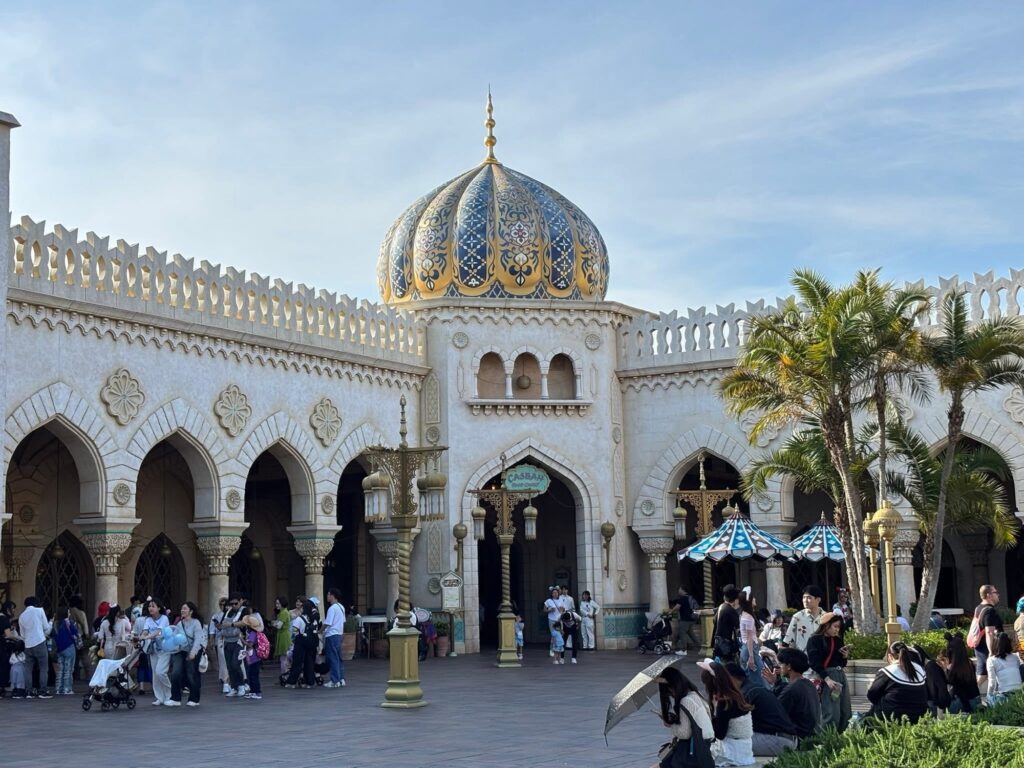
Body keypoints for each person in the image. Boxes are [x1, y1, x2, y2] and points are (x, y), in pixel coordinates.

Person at [725, 662, 799, 757]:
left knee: (728, 745)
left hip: (780, 740)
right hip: (784, 738)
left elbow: (734, 725)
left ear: (732, 678)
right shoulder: (753, 688)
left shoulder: (748, 693)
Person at [698, 658, 755, 766]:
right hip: (743, 747)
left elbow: (719, 734)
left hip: (733, 750)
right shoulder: (735, 695)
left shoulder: (725, 702)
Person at [655, 666, 715, 766]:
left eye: (669, 692)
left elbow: (684, 733)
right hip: (704, 747)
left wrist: (670, 725)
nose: (671, 696)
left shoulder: (686, 701)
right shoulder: (696, 694)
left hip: (692, 752)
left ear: (672, 687)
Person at [762, 648, 821, 739]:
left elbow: (775, 715)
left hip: (797, 738)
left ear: (789, 666)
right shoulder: (808, 684)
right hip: (811, 734)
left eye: (781, 664)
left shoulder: (792, 689)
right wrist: (775, 682)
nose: (779, 667)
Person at [805, 612, 850, 733]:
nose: (837, 629)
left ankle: (838, 737)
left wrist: (845, 657)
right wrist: (827, 679)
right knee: (831, 712)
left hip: (840, 675)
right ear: (826, 625)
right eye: (835, 626)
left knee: (845, 711)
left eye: (839, 627)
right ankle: (826, 740)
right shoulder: (814, 640)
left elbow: (841, 663)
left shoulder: (837, 640)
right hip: (827, 676)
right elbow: (814, 662)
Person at [865, 641, 928, 723]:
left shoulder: (888, 671)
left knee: (868, 717)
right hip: (919, 715)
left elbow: (872, 695)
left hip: (892, 717)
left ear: (890, 656)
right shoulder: (919, 669)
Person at [18, 596, 52, 698]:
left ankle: (28, 691)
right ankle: (43, 691)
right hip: (40, 642)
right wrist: (51, 622)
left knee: (28, 669)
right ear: (36, 604)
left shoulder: (21, 616)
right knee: (43, 668)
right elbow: (46, 628)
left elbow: (22, 635)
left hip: (28, 645)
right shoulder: (39, 611)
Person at [941, 632, 981, 714]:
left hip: (963, 703)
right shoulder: (969, 664)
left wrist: (946, 671)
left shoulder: (953, 668)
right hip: (975, 700)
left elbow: (958, 691)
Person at [141, 598, 171, 706]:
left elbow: (158, 631)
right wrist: (141, 637)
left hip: (164, 649)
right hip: (153, 649)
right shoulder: (148, 620)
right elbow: (144, 631)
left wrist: (147, 636)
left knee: (161, 672)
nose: (150, 608)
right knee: (155, 673)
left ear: (159, 608)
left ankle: (169, 695)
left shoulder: (164, 618)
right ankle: (159, 697)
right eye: (149, 606)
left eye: (153, 606)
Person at [971, 584, 1003, 687]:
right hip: (987, 647)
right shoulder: (989, 611)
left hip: (980, 646)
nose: (998, 595)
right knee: (987, 674)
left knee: (983, 674)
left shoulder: (978, 607)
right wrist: (991, 651)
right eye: (995, 592)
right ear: (989, 595)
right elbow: (989, 632)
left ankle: (970, 695)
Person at [908, 644, 951, 716]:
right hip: (934, 702)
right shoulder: (930, 665)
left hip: (934, 703)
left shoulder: (931, 667)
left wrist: (941, 706)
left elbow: (940, 687)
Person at [286, 598, 319, 688]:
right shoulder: (313, 620)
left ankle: (292, 682)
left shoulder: (299, 619)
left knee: (297, 663)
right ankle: (309, 682)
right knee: (309, 663)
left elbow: (295, 631)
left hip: (300, 643)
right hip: (311, 643)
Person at [219, 594, 247, 696]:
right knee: (229, 666)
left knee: (236, 663)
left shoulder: (244, 611)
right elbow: (222, 624)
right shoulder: (227, 612)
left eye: (236, 603)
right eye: (231, 604)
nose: (233, 605)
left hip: (239, 641)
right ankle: (234, 687)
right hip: (227, 641)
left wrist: (231, 624)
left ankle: (241, 685)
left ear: (240, 601)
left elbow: (245, 623)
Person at [782, 586, 824, 652]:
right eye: (804, 597)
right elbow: (788, 640)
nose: (805, 600)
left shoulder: (826, 617)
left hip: (822, 658)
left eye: (809, 598)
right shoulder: (797, 617)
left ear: (818, 599)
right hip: (802, 658)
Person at [986, 632, 1023, 705]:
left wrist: (988, 695)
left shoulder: (991, 660)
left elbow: (992, 683)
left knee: (990, 698)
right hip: (1020, 694)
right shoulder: (1015, 657)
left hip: (1005, 696)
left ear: (995, 644)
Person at [52, 606, 79, 695]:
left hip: (59, 649)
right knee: (69, 669)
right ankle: (67, 689)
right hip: (69, 647)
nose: (70, 614)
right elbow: (75, 632)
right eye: (68, 612)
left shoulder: (55, 624)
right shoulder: (68, 622)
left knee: (60, 670)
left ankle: (58, 688)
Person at [738, 592, 763, 687]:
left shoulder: (744, 614)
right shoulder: (748, 617)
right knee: (759, 677)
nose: (755, 599)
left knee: (752, 677)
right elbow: (749, 638)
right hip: (750, 648)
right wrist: (751, 657)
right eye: (753, 598)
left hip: (747, 648)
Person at [323, 587, 347, 688]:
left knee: (332, 658)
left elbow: (327, 623)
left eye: (328, 594)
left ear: (332, 596)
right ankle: (341, 679)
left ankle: (334, 680)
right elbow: (343, 621)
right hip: (339, 634)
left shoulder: (332, 608)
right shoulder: (341, 607)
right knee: (338, 658)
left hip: (331, 635)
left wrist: (320, 631)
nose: (327, 596)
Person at [713, 585, 741, 663]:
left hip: (718, 644)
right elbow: (739, 627)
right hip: (725, 647)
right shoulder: (730, 611)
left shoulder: (722, 607)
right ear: (735, 600)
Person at [671, 586, 700, 656]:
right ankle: (700, 647)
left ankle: (684, 650)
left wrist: (670, 612)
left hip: (685, 619)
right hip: (691, 619)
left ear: (683, 590)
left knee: (682, 633)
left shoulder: (683, 598)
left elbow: (677, 608)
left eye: (679, 589)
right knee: (691, 634)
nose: (678, 591)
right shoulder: (690, 597)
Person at [209, 597, 229, 692]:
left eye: (224, 604)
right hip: (220, 640)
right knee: (222, 660)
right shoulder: (215, 616)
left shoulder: (231, 614)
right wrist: (211, 641)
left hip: (230, 639)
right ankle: (224, 678)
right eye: (221, 604)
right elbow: (212, 629)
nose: (222, 606)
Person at [272, 596, 292, 676]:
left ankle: (285, 675)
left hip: (284, 635)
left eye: (278, 603)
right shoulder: (283, 612)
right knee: (284, 657)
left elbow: (279, 626)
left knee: (284, 657)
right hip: (283, 634)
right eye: (276, 603)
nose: (276, 605)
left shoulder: (283, 612)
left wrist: (273, 623)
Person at [544, 587, 565, 660]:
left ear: (558, 593)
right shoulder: (548, 601)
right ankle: (552, 649)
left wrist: (562, 610)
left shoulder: (561, 600)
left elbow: (563, 609)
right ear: (551, 594)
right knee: (553, 635)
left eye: (556, 592)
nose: (555, 594)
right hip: (552, 619)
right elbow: (544, 610)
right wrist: (550, 610)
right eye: (553, 593)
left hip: (559, 619)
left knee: (560, 634)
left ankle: (559, 648)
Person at [0, 600, 15, 697]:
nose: (13, 611)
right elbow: (8, 635)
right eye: (13, 608)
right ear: (8, 609)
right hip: (1, 646)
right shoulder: (4, 619)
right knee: (2, 666)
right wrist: (19, 638)